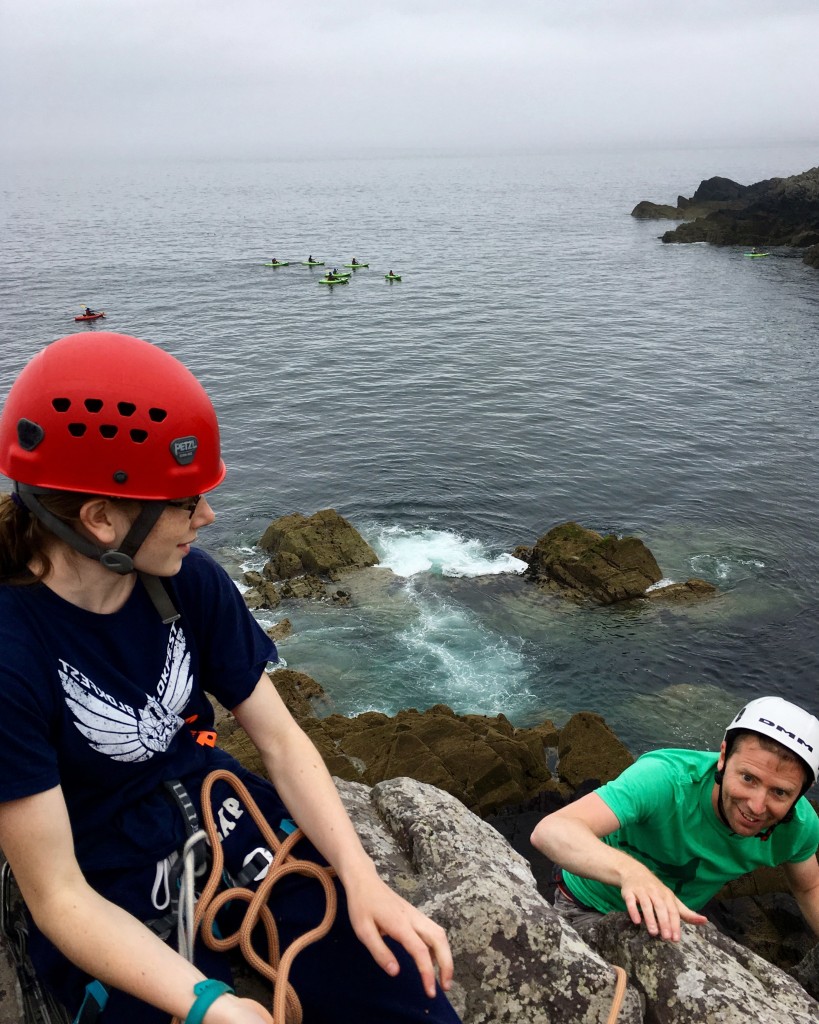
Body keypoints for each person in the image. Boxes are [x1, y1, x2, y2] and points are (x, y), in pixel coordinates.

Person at [0, 331, 462, 1024]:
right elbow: (59, 895)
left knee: (403, 992)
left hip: (223, 824)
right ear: (100, 520)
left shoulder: (191, 583)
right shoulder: (11, 652)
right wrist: (209, 1006)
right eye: (186, 504)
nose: (208, 519)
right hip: (102, 874)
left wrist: (364, 882)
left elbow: (277, 740)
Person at [530, 696, 819, 942]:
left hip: (673, 919)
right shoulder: (666, 780)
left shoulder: (798, 827)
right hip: (589, 905)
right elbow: (552, 829)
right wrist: (632, 873)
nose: (756, 806)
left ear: (800, 795)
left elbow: (809, 888)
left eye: (780, 792)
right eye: (748, 778)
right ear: (723, 757)